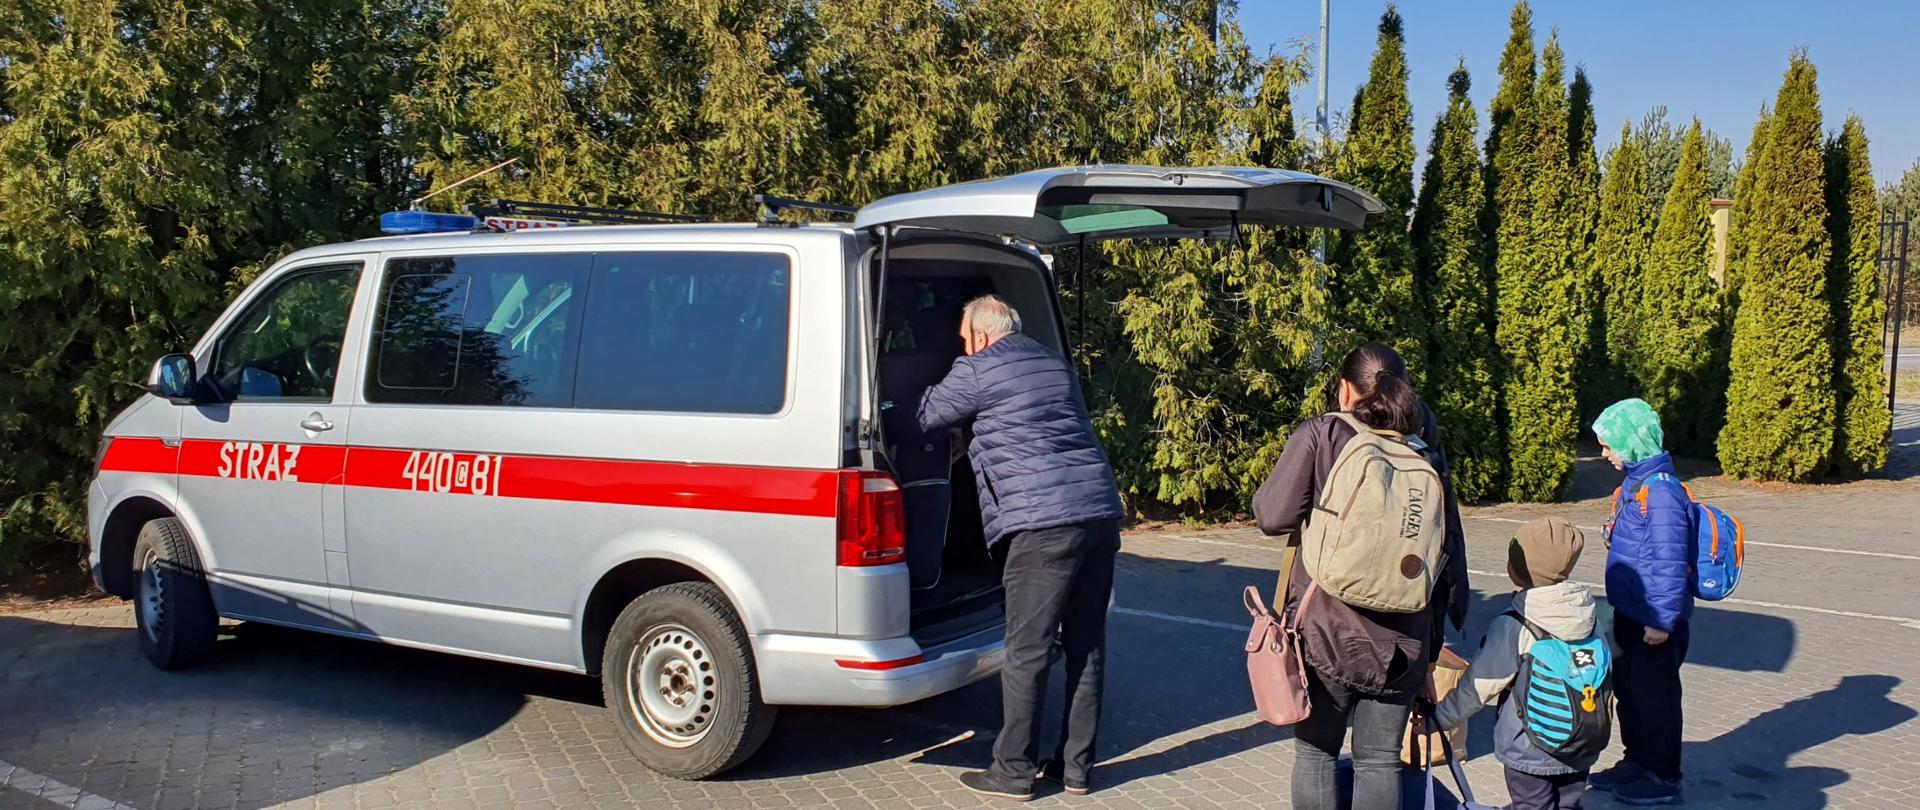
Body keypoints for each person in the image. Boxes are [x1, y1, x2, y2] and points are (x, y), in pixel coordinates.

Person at [917, 294, 1125, 801]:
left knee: (1027, 650)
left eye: (964, 340)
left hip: (1043, 523)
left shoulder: (977, 369)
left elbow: (925, 416)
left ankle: (1012, 772)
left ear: (981, 337)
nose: (962, 348)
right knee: (1085, 645)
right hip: (1098, 512)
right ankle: (1074, 770)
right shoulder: (1053, 362)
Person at [1252, 342, 1468, 810]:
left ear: (1345, 390)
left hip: (1325, 631)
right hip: (1402, 643)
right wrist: (1431, 651)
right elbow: (1448, 551)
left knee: (1316, 755)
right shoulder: (1425, 450)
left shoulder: (1322, 434)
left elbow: (1272, 516)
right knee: (1379, 761)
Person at [1433, 517, 1599, 809]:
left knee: (1532, 804)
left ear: (1516, 570)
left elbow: (1481, 683)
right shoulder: (1587, 615)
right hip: (1583, 740)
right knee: (1568, 804)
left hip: (1530, 747)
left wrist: (1441, 718)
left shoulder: (1517, 624)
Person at [1586, 398, 1692, 806]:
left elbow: (1668, 561)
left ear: (1632, 441)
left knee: (1657, 698)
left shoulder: (1661, 492)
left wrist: (1662, 622)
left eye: (1610, 445)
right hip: (1633, 613)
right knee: (1630, 690)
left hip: (1655, 621)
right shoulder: (1636, 482)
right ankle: (1636, 760)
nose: (1604, 454)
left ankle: (1663, 775)